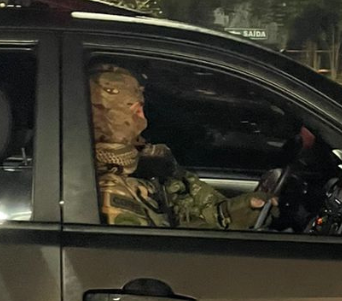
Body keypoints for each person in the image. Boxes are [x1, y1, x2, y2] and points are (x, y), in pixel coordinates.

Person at [90, 64, 271, 229]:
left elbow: (186, 213)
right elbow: (159, 251)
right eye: (138, 109)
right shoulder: (111, 189)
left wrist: (240, 210)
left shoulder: (148, 162)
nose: (143, 118)